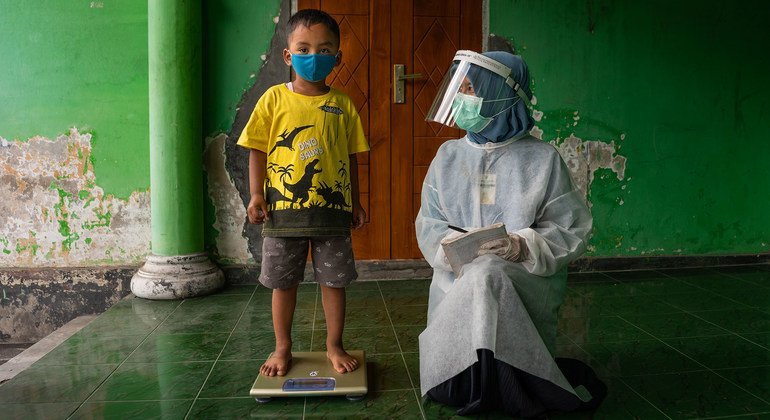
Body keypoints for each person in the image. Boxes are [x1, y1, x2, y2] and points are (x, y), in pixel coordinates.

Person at [416, 50, 606, 417]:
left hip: (522, 275)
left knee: (489, 274)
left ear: (497, 94)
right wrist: (453, 251)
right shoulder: (448, 157)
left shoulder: (541, 159)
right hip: (456, 277)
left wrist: (522, 245)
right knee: (479, 274)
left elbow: (570, 226)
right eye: (460, 87)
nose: (460, 97)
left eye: (470, 88)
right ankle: (462, 374)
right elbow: (429, 223)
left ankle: (511, 378)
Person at [237, 9, 369, 377]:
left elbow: (351, 158)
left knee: (335, 282)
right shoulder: (273, 100)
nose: (314, 57)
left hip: (332, 214)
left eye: (324, 49)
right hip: (283, 216)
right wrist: (255, 195)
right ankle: (282, 348)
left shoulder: (343, 106)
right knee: (283, 284)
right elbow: (257, 150)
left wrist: (355, 201)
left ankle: (334, 345)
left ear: (338, 58)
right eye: (304, 48)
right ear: (287, 55)